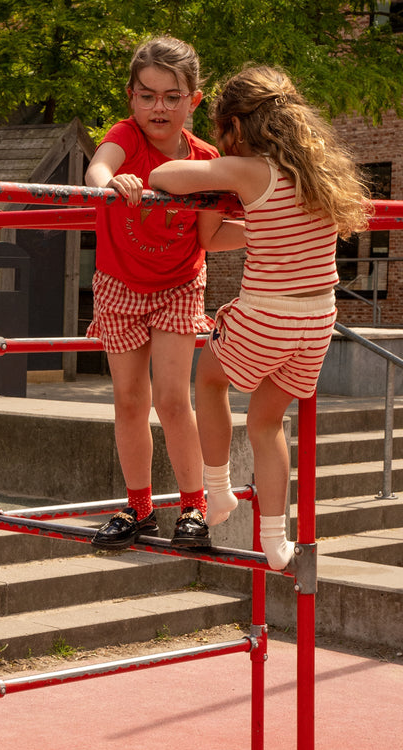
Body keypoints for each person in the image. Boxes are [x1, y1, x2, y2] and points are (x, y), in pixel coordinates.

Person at [149, 65, 370, 570]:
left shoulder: (249, 170)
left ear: (238, 127)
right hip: (318, 319)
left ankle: (217, 489)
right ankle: (276, 539)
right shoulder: (322, 174)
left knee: (208, 379)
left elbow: (165, 177)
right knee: (269, 421)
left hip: (268, 312)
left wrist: (214, 164)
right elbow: (279, 229)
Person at [85, 36, 224, 551]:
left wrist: (270, 228)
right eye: (147, 96)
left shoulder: (207, 160)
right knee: (128, 399)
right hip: (120, 282)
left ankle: (194, 506)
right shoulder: (125, 138)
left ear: (194, 100)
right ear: (131, 97)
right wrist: (111, 180)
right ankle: (140, 507)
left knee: (171, 396)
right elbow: (98, 166)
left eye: (172, 96)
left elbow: (211, 237)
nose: (158, 107)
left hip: (179, 283)